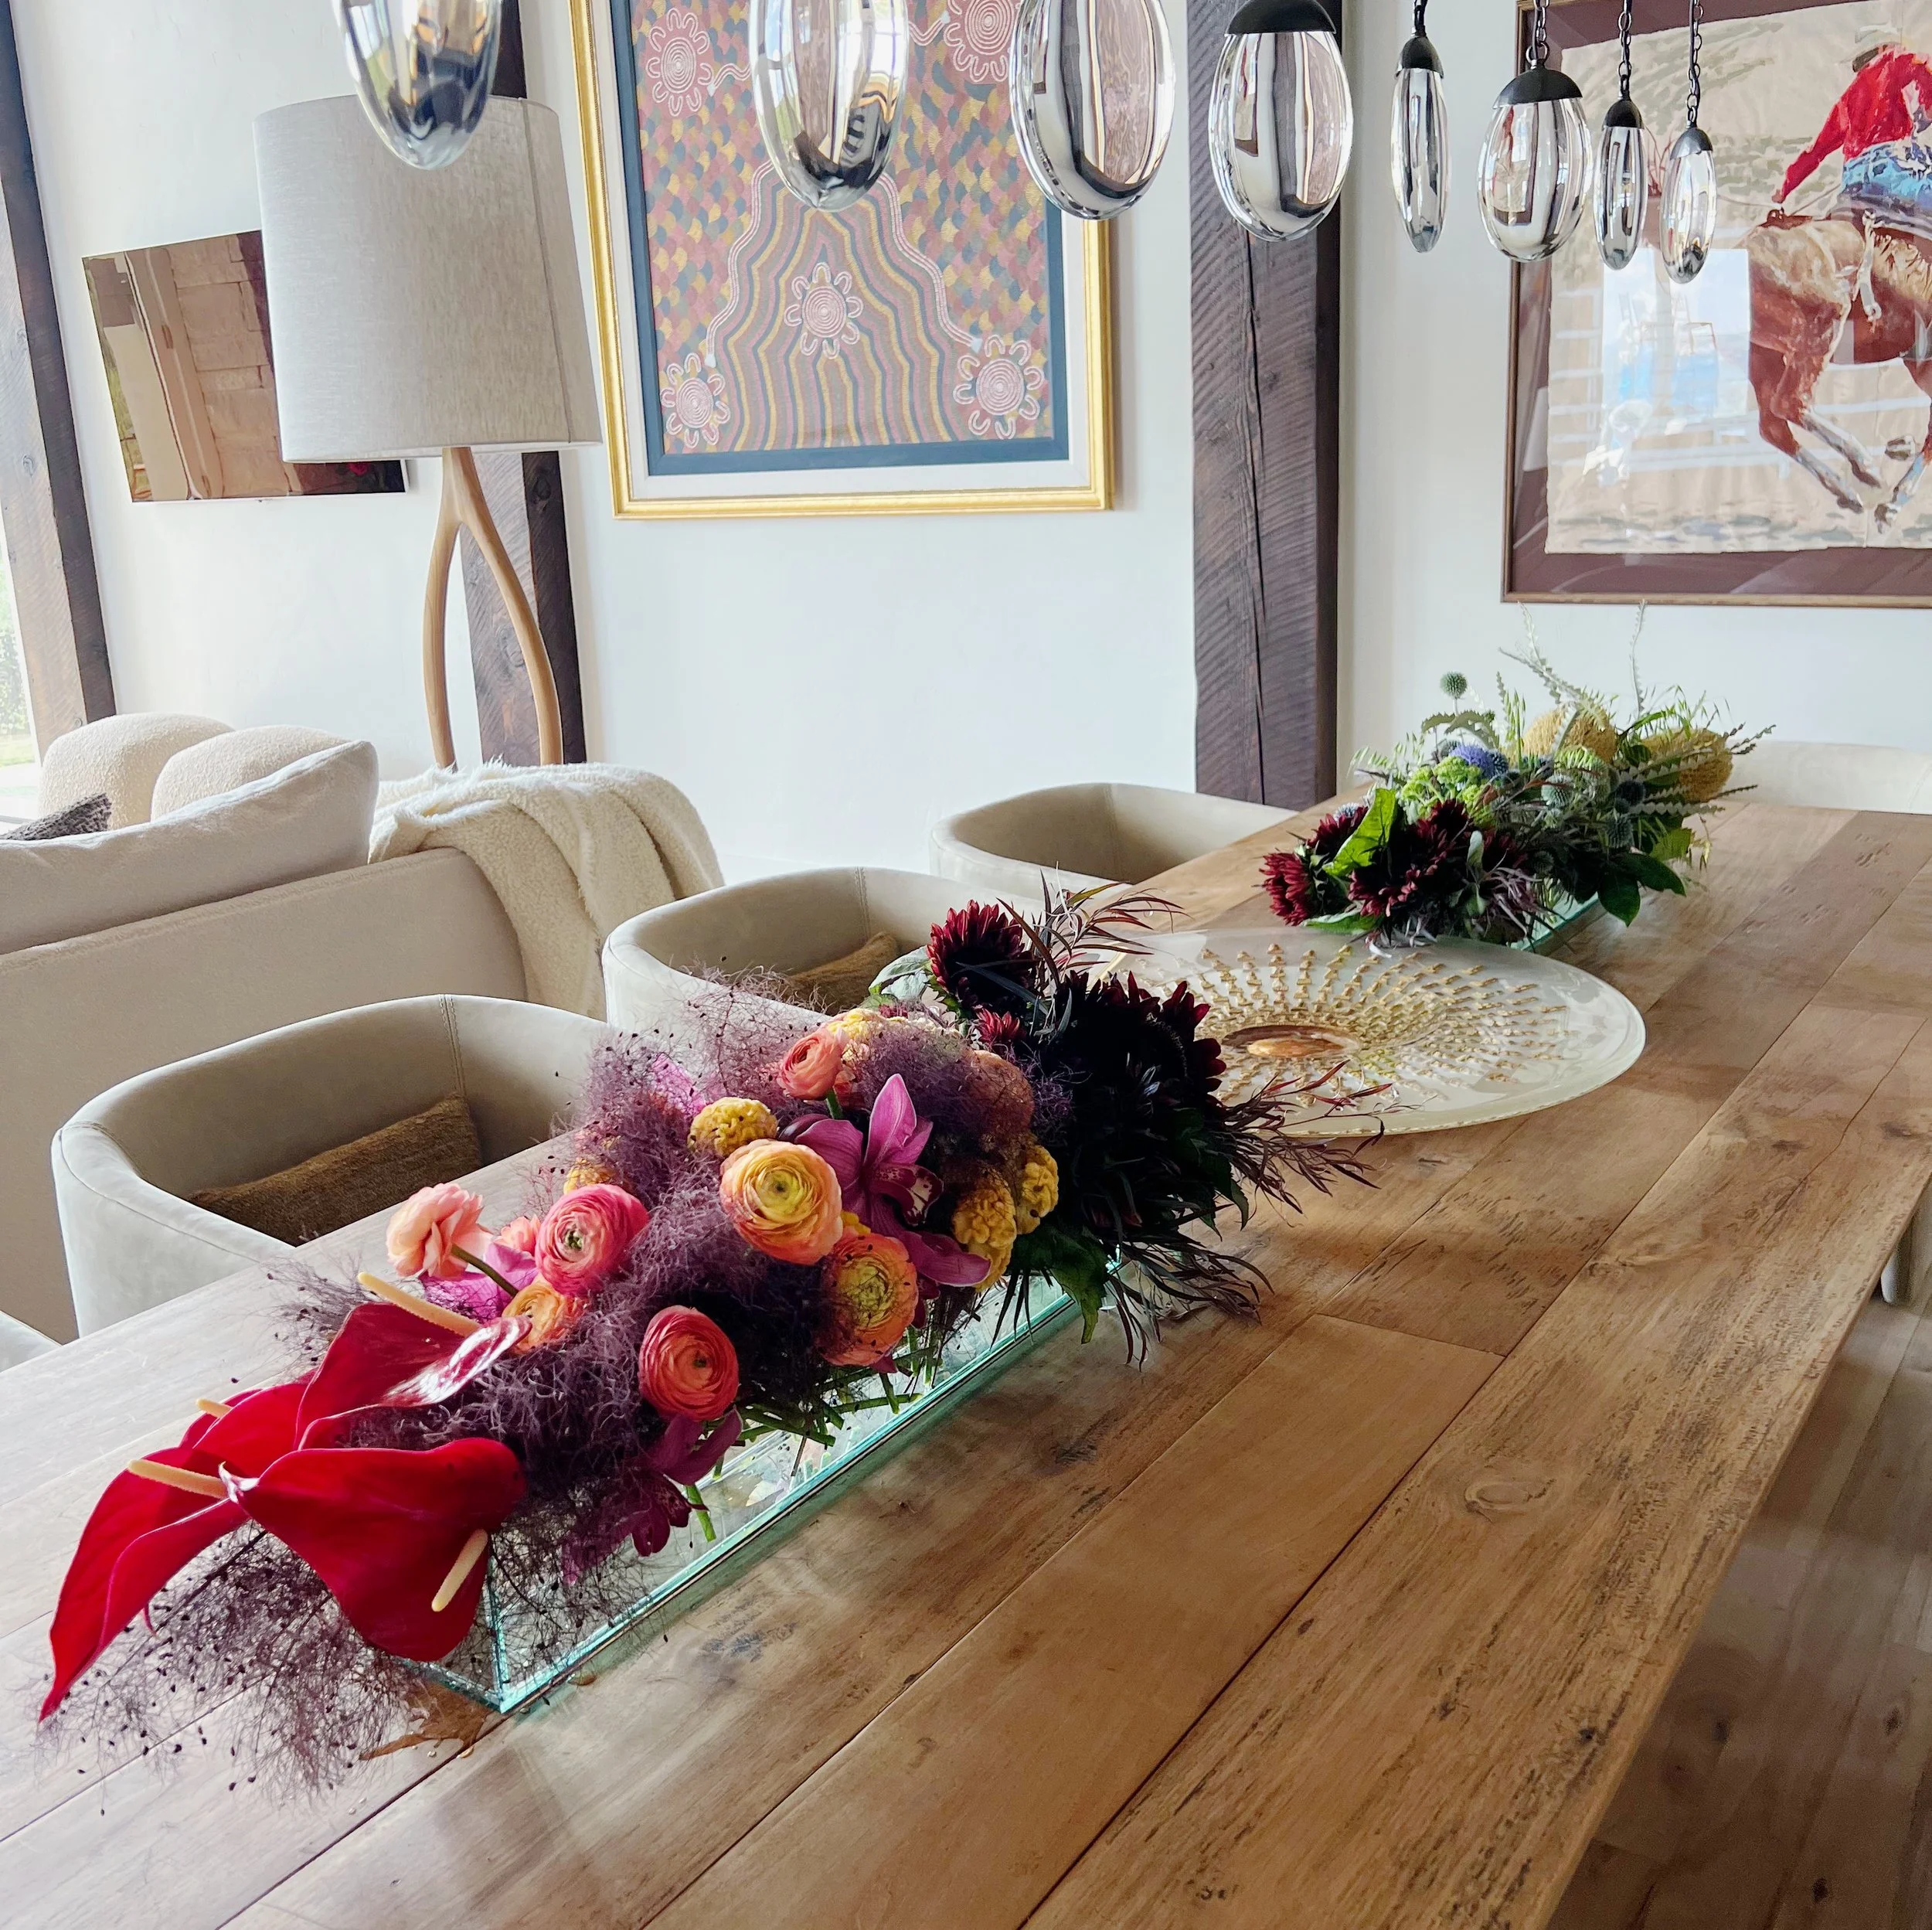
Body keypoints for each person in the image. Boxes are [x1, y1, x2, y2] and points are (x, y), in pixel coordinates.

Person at [1777, 26, 1932, 229]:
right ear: (1882, 47)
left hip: (1853, 182)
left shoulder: (1847, 99)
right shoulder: (1892, 60)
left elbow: (1816, 151)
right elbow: (1926, 65)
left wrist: (1785, 189)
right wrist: (1927, 106)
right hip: (1892, 170)